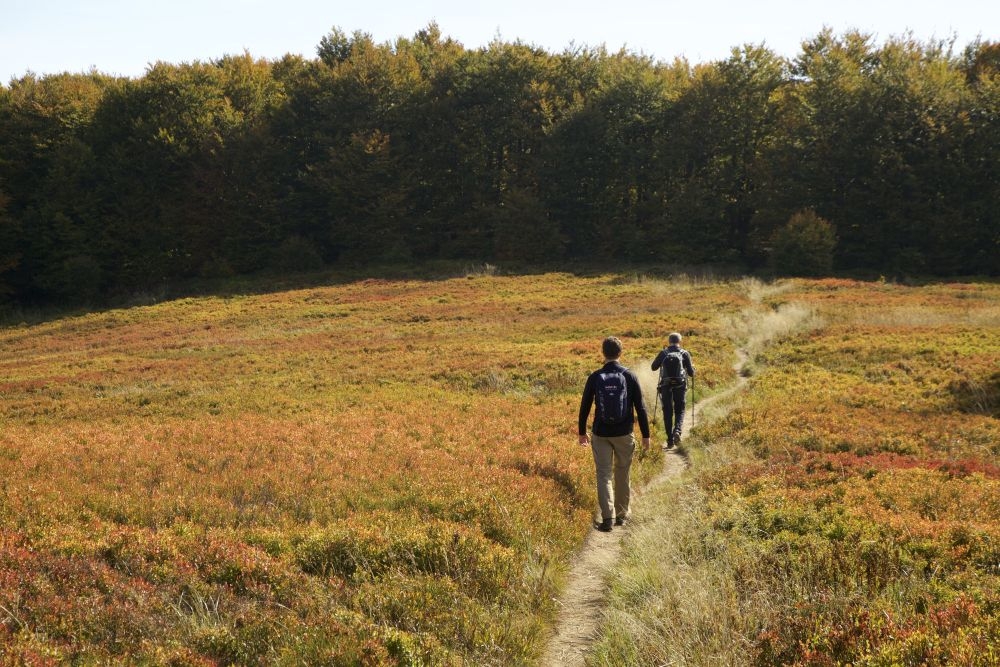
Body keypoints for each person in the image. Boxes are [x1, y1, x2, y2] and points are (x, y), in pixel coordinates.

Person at [578, 336, 651, 532]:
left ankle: (607, 518)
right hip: (624, 433)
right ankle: (622, 515)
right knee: (622, 473)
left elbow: (584, 406)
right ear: (620, 353)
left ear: (603, 353)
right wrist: (646, 435)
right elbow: (641, 408)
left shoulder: (595, 377)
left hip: (600, 433)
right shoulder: (629, 376)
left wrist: (582, 432)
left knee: (603, 475)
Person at [651, 332, 696, 449]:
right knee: (680, 409)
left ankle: (670, 440)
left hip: (665, 386)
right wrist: (692, 368)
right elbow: (691, 373)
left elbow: (653, 367)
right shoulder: (684, 353)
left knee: (667, 412)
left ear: (669, 341)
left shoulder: (663, 353)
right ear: (679, 341)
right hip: (680, 386)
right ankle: (677, 430)